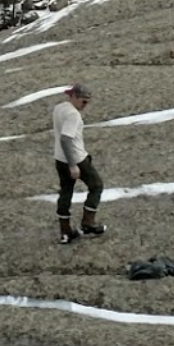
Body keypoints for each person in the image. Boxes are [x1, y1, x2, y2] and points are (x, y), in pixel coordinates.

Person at [51, 83, 104, 244]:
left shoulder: (59, 108)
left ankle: (65, 232)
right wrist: (73, 165)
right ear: (73, 96)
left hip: (59, 159)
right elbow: (66, 139)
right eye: (83, 101)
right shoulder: (73, 115)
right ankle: (88, 223)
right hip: (77, 158)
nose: (85, 105)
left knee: (66, 192)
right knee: (96, 186)